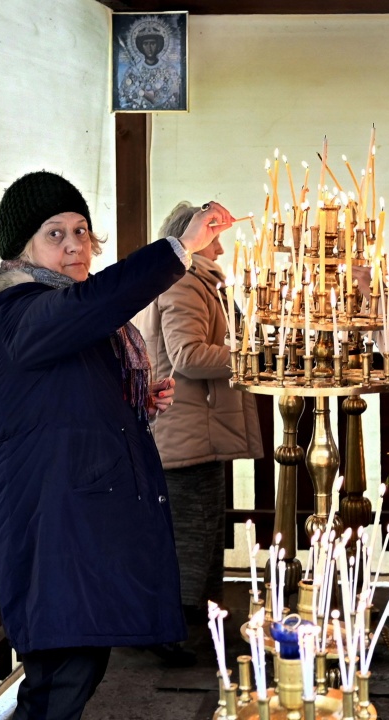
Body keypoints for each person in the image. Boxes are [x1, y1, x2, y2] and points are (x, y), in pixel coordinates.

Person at [0, 171, 233, 719]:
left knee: (70, 676)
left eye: (81, 230)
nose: (75, 245)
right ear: (20, 249)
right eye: (55, 234)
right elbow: (91, 306)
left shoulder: (49, 313)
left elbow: (61, 398)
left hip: (73, 530)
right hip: (52, 526)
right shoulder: (14, 313)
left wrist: (133, 401)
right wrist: (179, 247)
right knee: (59, 684)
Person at [133, 202, 264, 624]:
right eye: (216, 239)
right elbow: (188, 356)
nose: (222, 251)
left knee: (202, 533)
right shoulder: (183, 284)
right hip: (186, 430)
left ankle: (198, 625)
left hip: (193, 429)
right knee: (191, 536)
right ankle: (176, 631)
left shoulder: (194, 282)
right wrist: (250, 356)